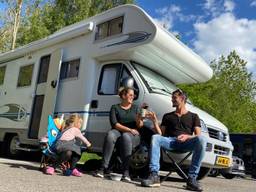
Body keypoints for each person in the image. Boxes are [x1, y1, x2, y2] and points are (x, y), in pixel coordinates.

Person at [141, 89, 206, 191]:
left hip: (186, 143)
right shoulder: (168, 116)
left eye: (174, 98)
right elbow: (160, 134)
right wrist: (154, 121)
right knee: (155, 137)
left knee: (202, 139)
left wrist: (187, 136)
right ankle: (154, 175)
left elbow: (198, 135)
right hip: (170, 142)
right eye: (172, 98)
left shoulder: (194, 116)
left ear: (182, 98)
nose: (172, 100)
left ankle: (192, 179)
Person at [95, 87, 143, 182]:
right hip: (120, 131)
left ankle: (126, 171)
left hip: (133, 135)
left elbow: (140, 126)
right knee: (110, 135)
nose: (132, 97)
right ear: (123, 95)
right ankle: (103, 168)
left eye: (133, 95)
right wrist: (129, 129)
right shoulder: (115, 107)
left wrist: (138, 118)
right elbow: (114, 124)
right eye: (130, 95)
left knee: (125, 136)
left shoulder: (136, 108)